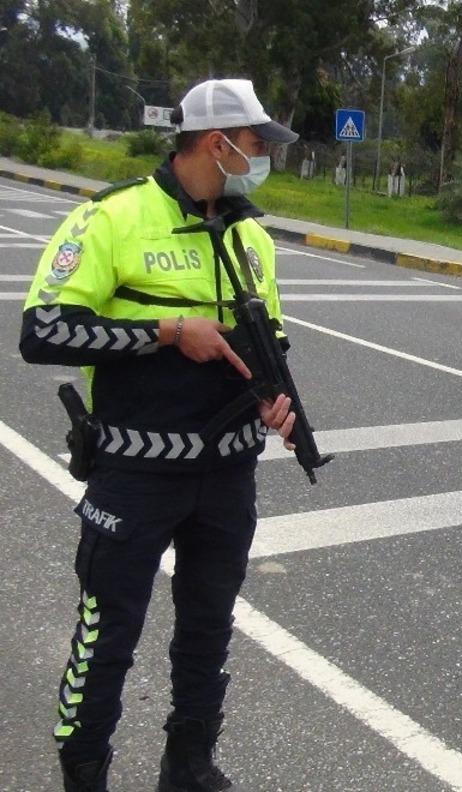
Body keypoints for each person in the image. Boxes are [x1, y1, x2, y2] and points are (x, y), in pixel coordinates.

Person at [19, 78, 300, 792]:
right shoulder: (112, 218)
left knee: (207, 629)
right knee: (106, 635)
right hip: (134, 474)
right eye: (258, 143)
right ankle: (85, 773)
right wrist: (168, 331)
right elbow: (42, 331)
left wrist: (278, 405)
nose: (264, 155)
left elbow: (269, 348)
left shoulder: (251, 236)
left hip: (227, 476)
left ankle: (190, 763)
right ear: (219, 142)